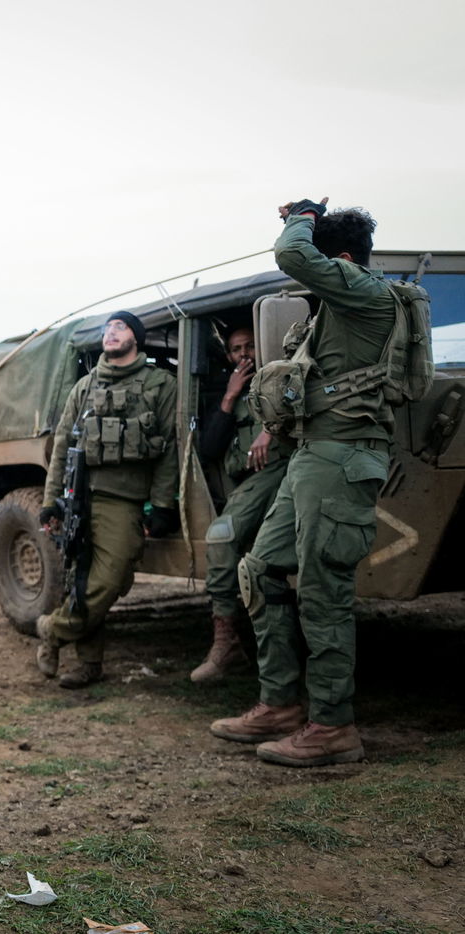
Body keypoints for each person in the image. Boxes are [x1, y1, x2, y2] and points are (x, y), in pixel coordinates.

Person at [211, 200, 400, 767]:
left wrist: (302, 215)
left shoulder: (365, 293)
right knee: (261, 568)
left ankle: (332, 725)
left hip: (343, 458)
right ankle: (279, 704)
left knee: (323, 589)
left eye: (322, 262)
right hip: (312, 455)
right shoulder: (335, 313)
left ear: (339, 260)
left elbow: (291, 251)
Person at [37, 311, 179, 688]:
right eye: (108, 328)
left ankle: (53, 629)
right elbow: (62, 447)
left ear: (137, 337)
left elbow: (170, 450)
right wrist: (51, 501)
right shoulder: (84, 387)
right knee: (78, 577)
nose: (111, 332)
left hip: (125, 498)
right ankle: (88, 663)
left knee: (109, 579)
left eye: (120, 326)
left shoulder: (160, 384)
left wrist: (163, 505)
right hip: (79, 496)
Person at [189, 327, 294, 681]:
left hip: (280, 468)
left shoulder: (286, 370)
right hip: (244, 481)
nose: (245, 354)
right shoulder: (227, 386)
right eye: (236, 349)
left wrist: (271, 427)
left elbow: (303, 404)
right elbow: (209, 449)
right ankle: (230, 643)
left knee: (221, 535)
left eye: (251, 345)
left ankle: (226, 644)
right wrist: (230, 397)